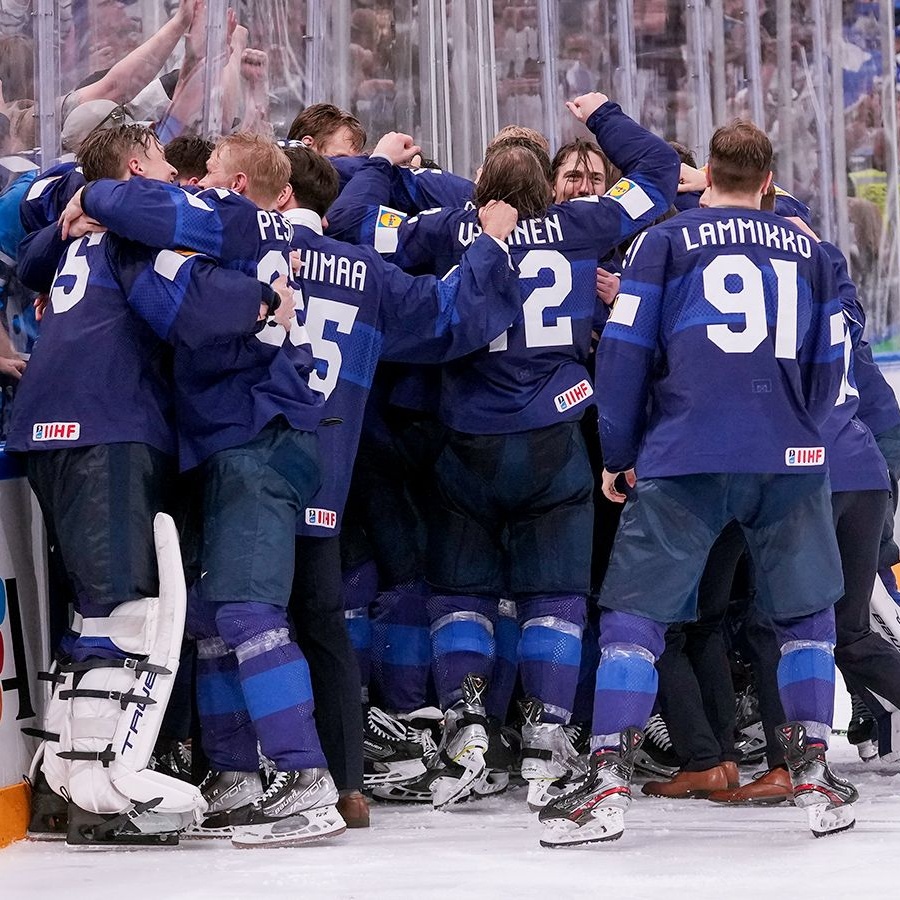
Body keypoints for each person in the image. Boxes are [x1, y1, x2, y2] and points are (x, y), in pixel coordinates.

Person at [327, 90, 679, 810]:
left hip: (466, 444)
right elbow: (658, 175)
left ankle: (468, 731)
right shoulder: (580, 225)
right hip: (555, 439)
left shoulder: (450, 228)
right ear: (546, 186)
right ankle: (548, 741)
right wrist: (604, 114)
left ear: (483, 187)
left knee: (462, 593)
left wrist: (378, 163)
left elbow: (352, 223)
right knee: (555, 596)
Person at [539, 120, 857, 847]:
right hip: (790, 455)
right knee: (806, 614)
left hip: (686, 452)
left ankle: (608, 781)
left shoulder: (666, 240)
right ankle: (814, 773)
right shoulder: (815, 251)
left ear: (706, 172)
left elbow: (623, 351)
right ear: (770, 181)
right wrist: (797, 431)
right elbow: (832, 362)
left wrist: (617, 452)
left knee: (634, 618)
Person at [5, 123, 283, 846]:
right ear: (137, 168)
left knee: (93, 613)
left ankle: (64, 780)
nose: (177, 174)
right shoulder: (135, 221)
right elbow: (197, 282)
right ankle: (101, 789)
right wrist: (259, 302)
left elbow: (33, 266)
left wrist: (77, 204)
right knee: (125, 611)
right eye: (161, 160)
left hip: (47, 424)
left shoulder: (75, 234)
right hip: (108, 422)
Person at [273, 140, 522, 826]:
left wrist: (376, 165)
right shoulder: (371, 265)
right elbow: (449, 314)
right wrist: (489, 246)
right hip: (341, 457)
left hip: (250, 460)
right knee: (329, 611)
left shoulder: (242, 250)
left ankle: (261, 768)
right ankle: (354, 771)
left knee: (244, 619)